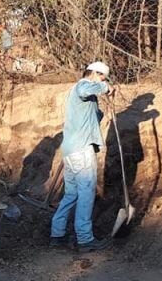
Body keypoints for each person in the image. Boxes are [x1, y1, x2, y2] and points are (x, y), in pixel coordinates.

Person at [49, 61, 115, 253]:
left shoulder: (84, 97)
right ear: (94, 73)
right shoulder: (81, 86)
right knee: (86, 193)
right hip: (81, 151)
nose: (103, 81)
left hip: (70, 151)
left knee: (72, 194)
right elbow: (85, 89)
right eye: (102, 77)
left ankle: (57, 233)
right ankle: (85, 239)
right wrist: (105, 87)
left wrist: (103, 109)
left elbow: (93, 116)